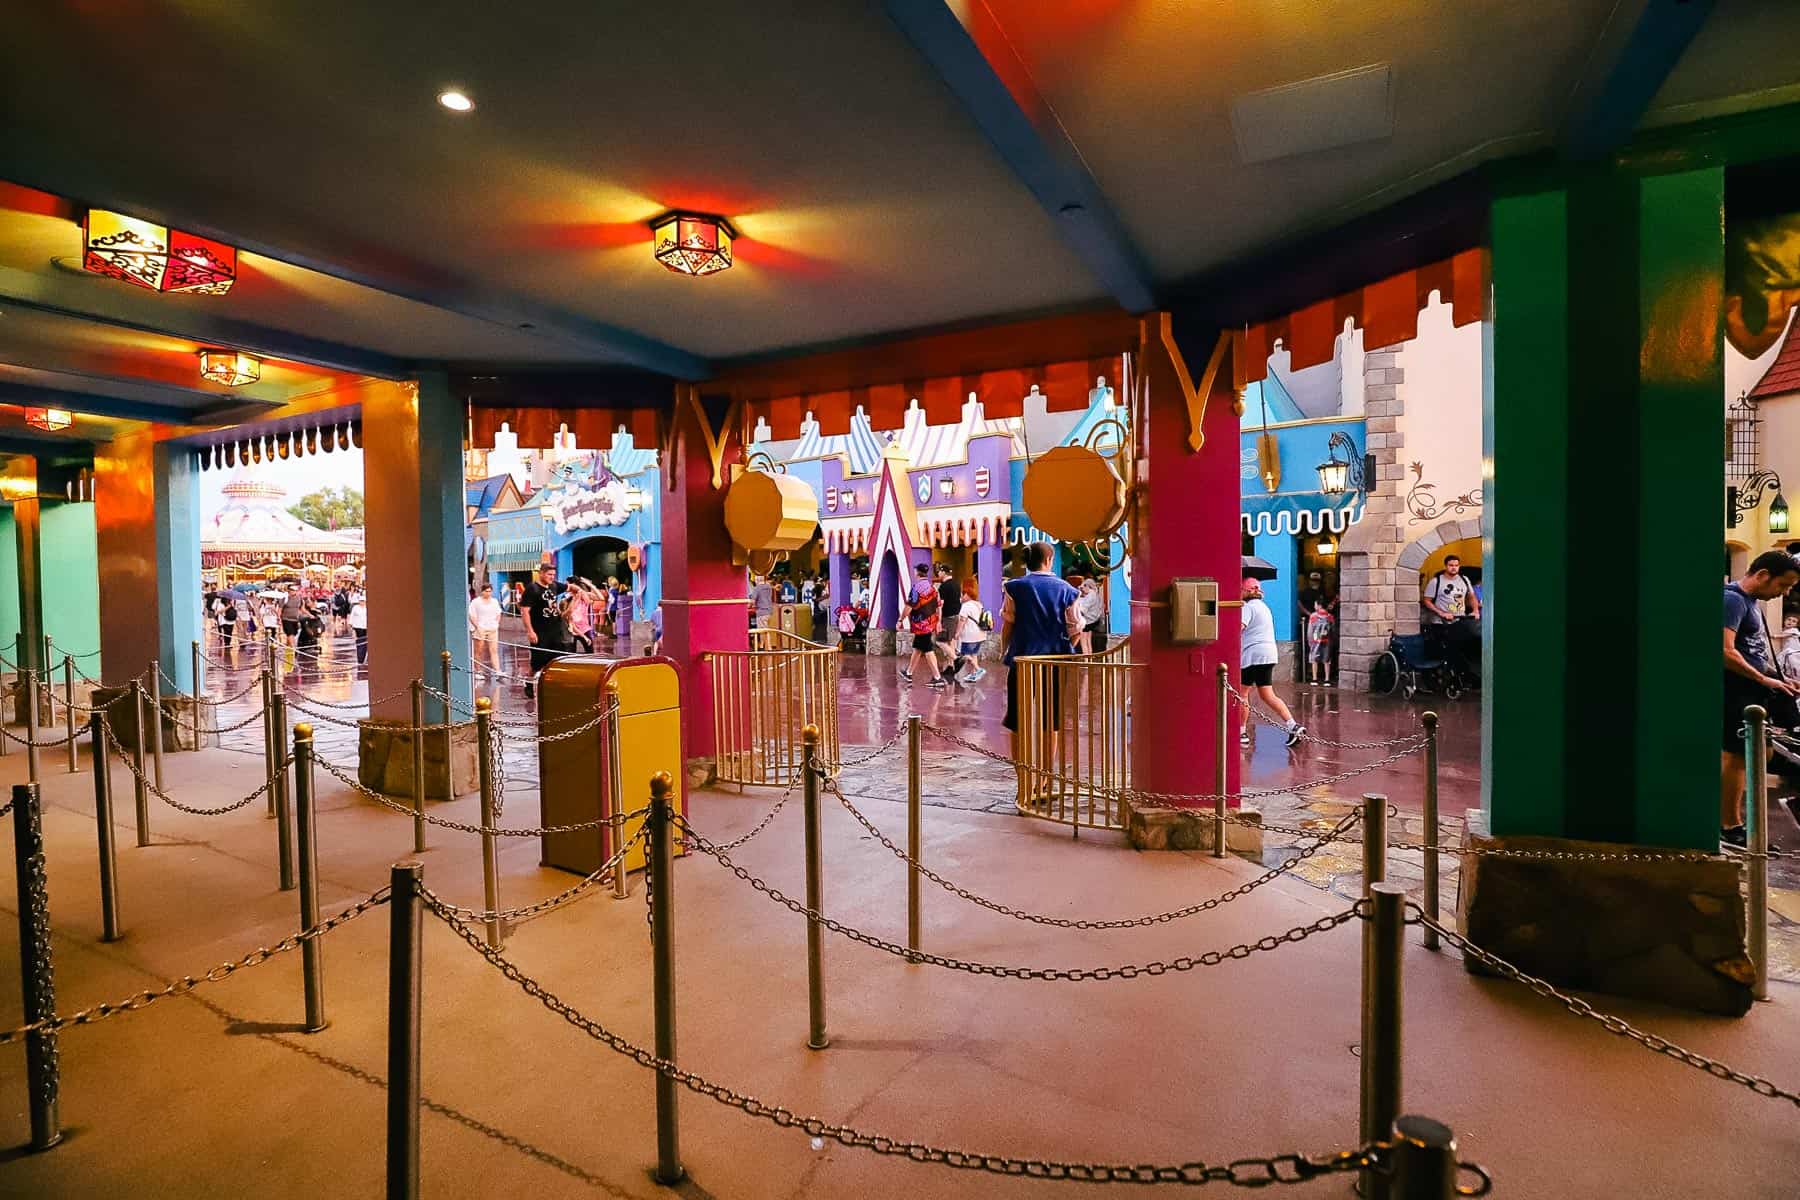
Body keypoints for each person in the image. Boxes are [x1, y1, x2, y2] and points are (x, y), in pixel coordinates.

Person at [1722, 550, 1800, 846]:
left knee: (1758, 753)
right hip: (1736, 688)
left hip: (1751, 687)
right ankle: (1730, 826)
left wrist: (1778, 678)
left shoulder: (1750, 604)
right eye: (1783, 585)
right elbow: (1726, 651)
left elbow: (1751, 652)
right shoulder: (1731, 600)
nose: (1786, 592)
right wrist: (1762, 678)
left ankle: (1740, 821)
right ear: (1764, 575)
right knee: (1738, 755)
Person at [1000, 543, 1082, 777]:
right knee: (1050, 721)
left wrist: (1004, 651)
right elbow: (1075, 628)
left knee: (1018, 720)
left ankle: (1022, 777)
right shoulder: (1067, 590)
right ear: (1050, 559)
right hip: (1053, 664)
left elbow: (1008, 624)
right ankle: (1046, 777)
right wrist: (1066, 648)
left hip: (1022, 660)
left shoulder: (1014, 587)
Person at [1240, 576, 1303, 747]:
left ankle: (1241, 732)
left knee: (1242, 693)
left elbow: (1239, 628)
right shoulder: (1264, 607)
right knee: (1268, 694)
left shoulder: (1247, 607)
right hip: (1269, 654)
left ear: (1246, 591)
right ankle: (1292, 725)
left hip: (1253, 654)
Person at [1421, 555, 1480, 678]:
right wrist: (1441, 613)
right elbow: (1427, 600)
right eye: (1451, 565)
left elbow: (1471, 596)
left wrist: (1475, 610)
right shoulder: (1436, 581)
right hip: (1441, 622)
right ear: (1446, 566)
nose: (1454, 568)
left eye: (1456, 565)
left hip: (1459, 621)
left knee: (1467, 644)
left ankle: (1467, 674)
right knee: (1448, 648)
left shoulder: (1464, 580)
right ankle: (1446, 674)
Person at [521, 562, 569, 698]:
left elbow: (570, 587)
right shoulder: (532, 589)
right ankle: (529, 683)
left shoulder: (554, 586)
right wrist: (530, 631)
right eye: (549, 574)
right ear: (541, 573)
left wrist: (582, 592)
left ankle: (553, 685)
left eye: (553, 574)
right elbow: (525, 611)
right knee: (537, 662)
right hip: (540, 631)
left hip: (555, 629)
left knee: (558, 657)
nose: (552, 577)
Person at [899, 561, 945, 690]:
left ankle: (937, 677)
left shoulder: (916, 588)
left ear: (916, 572)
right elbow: (939, 606)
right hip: (930, 622)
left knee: (927, 649)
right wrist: (938, 621)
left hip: (920, 624)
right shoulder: (933, 588)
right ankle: (909, 673)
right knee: (918, 648)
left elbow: (909, 606)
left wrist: (900, 619)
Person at [950, 576, 987, 683]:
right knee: (973, 654)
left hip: (969, 635)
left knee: (965, 654)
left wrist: (957, 633)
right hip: (979, 634)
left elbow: (962, 620)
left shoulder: (966, 606)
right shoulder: (978, 604)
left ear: (967, 595)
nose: (961, 596)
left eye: (962, 594)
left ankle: (979, 669)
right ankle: (974, 674)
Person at [468, 583, 503, 677]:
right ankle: (477, 671)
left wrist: (497, 623)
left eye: (490, 591)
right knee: (479, 650)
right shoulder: (476, 602)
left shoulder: (494, 601)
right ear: (482, 591)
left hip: (492, 628)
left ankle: (497, 670)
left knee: (494, 650)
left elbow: (498, 612)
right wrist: (477, 626)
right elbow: (471, 615)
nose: (488, 593)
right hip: (480, 628)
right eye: (486, 591)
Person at [1305, 599, 1335, 687]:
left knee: (1314, 659)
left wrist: (1310, 642)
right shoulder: (1330, 616)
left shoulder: (1313, 616)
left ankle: (1314, 679)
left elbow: (1310, 631)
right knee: (1327, 660)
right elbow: (1333, 630)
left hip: (1315, 641)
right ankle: (1327, 680)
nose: (1314, 606)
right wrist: (1332, 641)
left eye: (1315, 604)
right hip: (1327, 641)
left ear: (1319, 606)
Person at [1076, 575, 1106, 653]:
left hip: (1087, 622)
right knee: (1088, 641)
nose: (1082, 589)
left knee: (1083, 642)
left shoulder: (1090, 596)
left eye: (1084, 587)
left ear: (1088, 586)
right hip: (1093, 622)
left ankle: (1086, 662)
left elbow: (1082, 610)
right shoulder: (1095, 594)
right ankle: (1090, 660)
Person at [565, 579, 594, 653]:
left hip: (584, 628)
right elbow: (568, 614)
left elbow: (600, 598)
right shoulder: (567, 599)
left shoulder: (584, 598)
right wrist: (576, 599)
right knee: (571, 654)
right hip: (572, 631)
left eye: (567, 584)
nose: (566, 586)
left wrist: (591, 586)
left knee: (590, 652)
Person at [349, 592, 368, 666]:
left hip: (365, 627)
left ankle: (363, 657)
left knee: (365, 643)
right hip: (357, 627)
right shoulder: (355, 608)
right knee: (359, 643)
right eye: (361, 601)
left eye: (363, 601)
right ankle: (360, 659)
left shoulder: (367, 608)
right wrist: (351, 625)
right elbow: (352, 616)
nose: (362, 602)